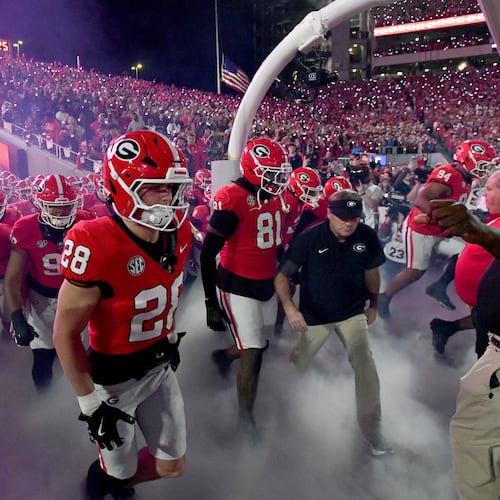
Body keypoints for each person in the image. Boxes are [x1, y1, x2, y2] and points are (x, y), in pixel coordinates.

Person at [53, 130, 193, 500]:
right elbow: (64, 334)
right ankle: (98, 486)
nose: (167, 196)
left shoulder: (180, 234)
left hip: (159, 366)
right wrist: (90, 403)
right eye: (154, 187)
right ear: (120, 188)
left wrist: (167, 338)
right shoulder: (95, 242)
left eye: (171, 186)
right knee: (118, 471)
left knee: (171, 466)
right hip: (113, 381)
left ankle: (119, 482)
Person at [274, 189, 392, 456]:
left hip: (352, 312)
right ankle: (283, 414)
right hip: (315, 316)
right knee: (297, 366)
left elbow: (371, 272)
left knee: (366, 367)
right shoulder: (309, 239)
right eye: (342, 217)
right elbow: (282, 278)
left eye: (354, 217)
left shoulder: (367, 236)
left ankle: (371, 429)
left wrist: (374, 304)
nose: (349, 222)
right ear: (329, 213)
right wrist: (291, 310)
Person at [200, 137, 292, 437]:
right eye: (272, 173)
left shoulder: (275, 197)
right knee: (254, 352)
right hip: (236, 284)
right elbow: (207, 252)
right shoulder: (233, 197)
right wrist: (210, 303)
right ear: (254, 170)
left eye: (281, 173)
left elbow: (273, 244)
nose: (278, 180)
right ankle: (245, 422)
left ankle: (223, 358)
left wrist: (286, 271)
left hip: (265, 281)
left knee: (257, 344)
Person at [378, 139, 497, 318]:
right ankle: (384, 298)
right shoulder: (450, 174)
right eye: (481, 165)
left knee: (467, 250)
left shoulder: (465, 178)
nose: (484, 170)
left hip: (439, 231)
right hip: (421, 229)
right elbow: (421, 200)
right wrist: (444, 220)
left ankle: (439, 286)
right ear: (467, 159)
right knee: (415, 272)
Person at [4, 174, 93, 389]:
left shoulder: (87, 222)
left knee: (84, 357)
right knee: (43, 358)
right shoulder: (25, 228)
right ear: (40, 204)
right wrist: (16, 317)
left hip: (80, 297)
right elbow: (13, 277)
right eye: (54, 207)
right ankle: (45, 399)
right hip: (41, 299)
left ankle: (82, 401)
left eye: (67, 206)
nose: (62, 212)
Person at [430, 169, 500, 356]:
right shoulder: (493, 218)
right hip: (484, 307)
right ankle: (447, 327)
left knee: (487, 362)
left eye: (490, 189)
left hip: (491, 312)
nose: (484, 193)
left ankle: (446, 327)